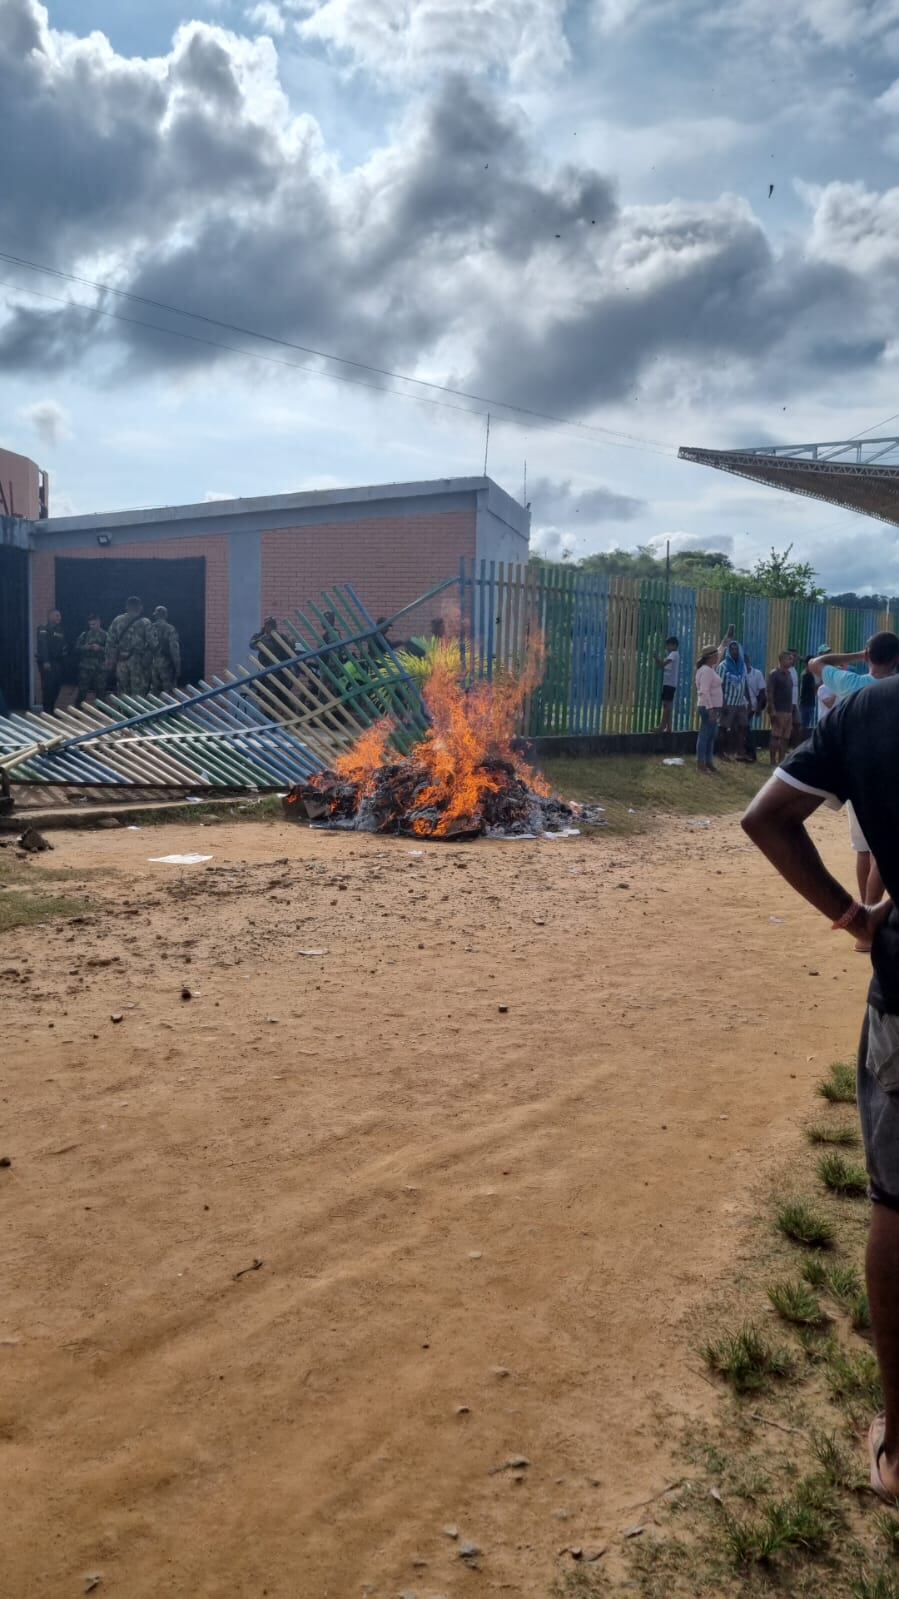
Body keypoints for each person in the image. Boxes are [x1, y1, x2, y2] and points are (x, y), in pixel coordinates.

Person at [740, 679, 899, 1502]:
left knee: (896, 1207)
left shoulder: (871, 711)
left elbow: (766, 817)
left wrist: (853, 914)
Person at [808, 633, 899, 951]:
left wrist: (859, 655)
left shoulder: (852, 683)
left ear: (870, 656)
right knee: (885, 851)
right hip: (889, 776)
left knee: (863, 849)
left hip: (855, 775)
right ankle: (870, 921)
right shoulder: (893, 688)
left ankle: (864, 917)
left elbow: (815, 663)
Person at [105, 596, 154, 696]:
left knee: (122, 691)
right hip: (139, 662)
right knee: (139, 692)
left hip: (121, 661)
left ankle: (123, 706)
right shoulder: (145, 622)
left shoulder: (117, 620)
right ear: (140, 607)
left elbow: (110, 642)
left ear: (127, 607)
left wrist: (109, 659)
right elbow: (153, 643)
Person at [716, 639, 750, 760]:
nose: (735, 651)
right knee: (723, 728)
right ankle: (721, 752)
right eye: (732, 649)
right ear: (728, 652)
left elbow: (745, 683)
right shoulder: (723, 666)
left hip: (740, 702)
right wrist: (723, 703)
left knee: (743, 727)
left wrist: (749, 700)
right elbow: (719, 685)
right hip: (728, 702)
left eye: (736, 649)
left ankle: (739, 752)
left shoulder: (742, 665)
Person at [695, 642, 723, 774]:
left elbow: (720, 652)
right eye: (716, 655)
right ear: (710, 657)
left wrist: (724, 644)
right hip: (708, 707)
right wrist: (710, 709)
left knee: (711, 736)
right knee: (705, 735)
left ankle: (708, 761)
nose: (718, 657)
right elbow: (704, 691)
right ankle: (701, 763)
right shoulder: (706, 671)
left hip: (712, 707)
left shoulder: (709, 668)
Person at [35, 608, 68, 713]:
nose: (59, 618)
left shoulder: (60, 630)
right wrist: (45, 661)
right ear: (50, 616)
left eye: (60, 616)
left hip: (57, 663)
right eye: (57, 615)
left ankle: (51, 710)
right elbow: (43, 645)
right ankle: (47, 712)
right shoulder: (43, 629)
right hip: (48, 662)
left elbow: (63, 646)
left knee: (56, 687)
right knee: (48, 688)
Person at [766, 650, 794, 767]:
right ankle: (773, 761)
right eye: (789, 659)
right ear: (782, 660)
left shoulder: (789, 674)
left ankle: (781, 761)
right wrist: (772, 709)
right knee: (776, 735)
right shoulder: (774, 674)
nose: (791, 661)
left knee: (785, 737)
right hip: (778, 710)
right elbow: (770, 692)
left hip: (788, 710)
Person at [74, 613, 108, 706]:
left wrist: (100, 648)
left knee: (101, 691)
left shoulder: (105, 635)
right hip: (86, 667)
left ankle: (102, 711)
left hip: (100, 667)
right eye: (90, 624)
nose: (92, 626)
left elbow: (111, 649)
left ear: (99, 622)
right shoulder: (84, 635)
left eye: (94, 624)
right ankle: (77, 709)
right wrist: (87, 647)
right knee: (82, 690)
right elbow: (77, 648)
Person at [149, 606, 181, 693]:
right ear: (166, 615)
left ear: (155, 616)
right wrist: (177, 666)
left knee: (154, 691)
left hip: (153, 663)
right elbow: (174, 649)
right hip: (167, 663)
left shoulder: (150, 628)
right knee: (168, 691)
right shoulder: (170, 629)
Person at [653, 635, 680, 734]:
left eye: (668, 645)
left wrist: (656, 657)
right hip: (669, 684)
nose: (667, 647)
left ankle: (662, 726)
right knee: (667, 705)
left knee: (666, 706)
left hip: (669, 684)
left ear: (674, 645)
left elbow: (662, 664)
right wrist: (657, 659)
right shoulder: (672, 655)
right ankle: (668, 727)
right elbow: (661, 666)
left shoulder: (673, 654)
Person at [744, 654, 767, 763]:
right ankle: (746, 751)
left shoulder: (757, 673)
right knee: (743, 728)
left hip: (751, 706)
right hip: (740, 705)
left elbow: (762, 692)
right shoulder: (740, 673)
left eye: (746, 661)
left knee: (746, 728)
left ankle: (751, 753)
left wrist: (758, 708)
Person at [799, 658, 817, 733]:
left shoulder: (807, 674)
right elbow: (814, 689)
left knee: (806, 726)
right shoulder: (807, 675)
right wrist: (823, 682)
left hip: (807, 703)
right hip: (807, 704)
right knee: (806, 727)